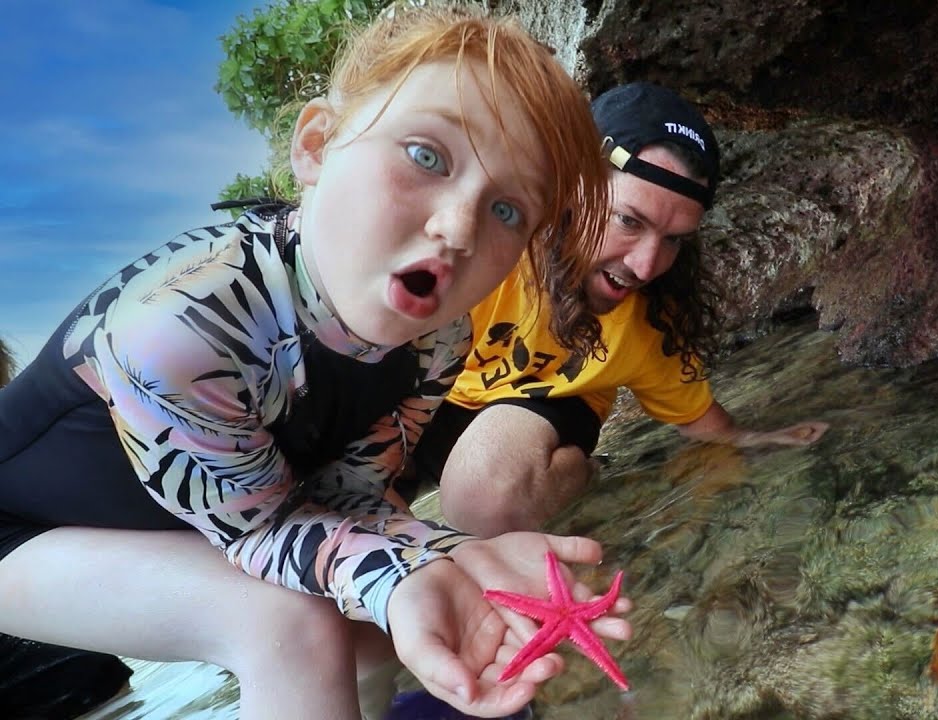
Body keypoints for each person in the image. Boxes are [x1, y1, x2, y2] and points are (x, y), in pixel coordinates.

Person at [0, 6, 631, 720]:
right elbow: (264, 532)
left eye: (509, 210)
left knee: (388, 631)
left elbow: (349, 499)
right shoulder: (174, 330)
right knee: (288, 627)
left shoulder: (441, 337)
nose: (457, 228)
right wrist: (412, 567)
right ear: (317, 145)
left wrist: (449, 553)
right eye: (426, 155)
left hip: (205, 513)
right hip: (17, 530)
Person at [414, 82, 831, 538]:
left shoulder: (647, 322)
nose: (646, 266)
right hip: (427, 405)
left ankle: (586, 476)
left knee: (481, 500)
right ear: (572, 186)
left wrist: (759, 440)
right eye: (629, 221)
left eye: (673, 239)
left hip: (541, 414)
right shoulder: (489, 237)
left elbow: (702, 422)